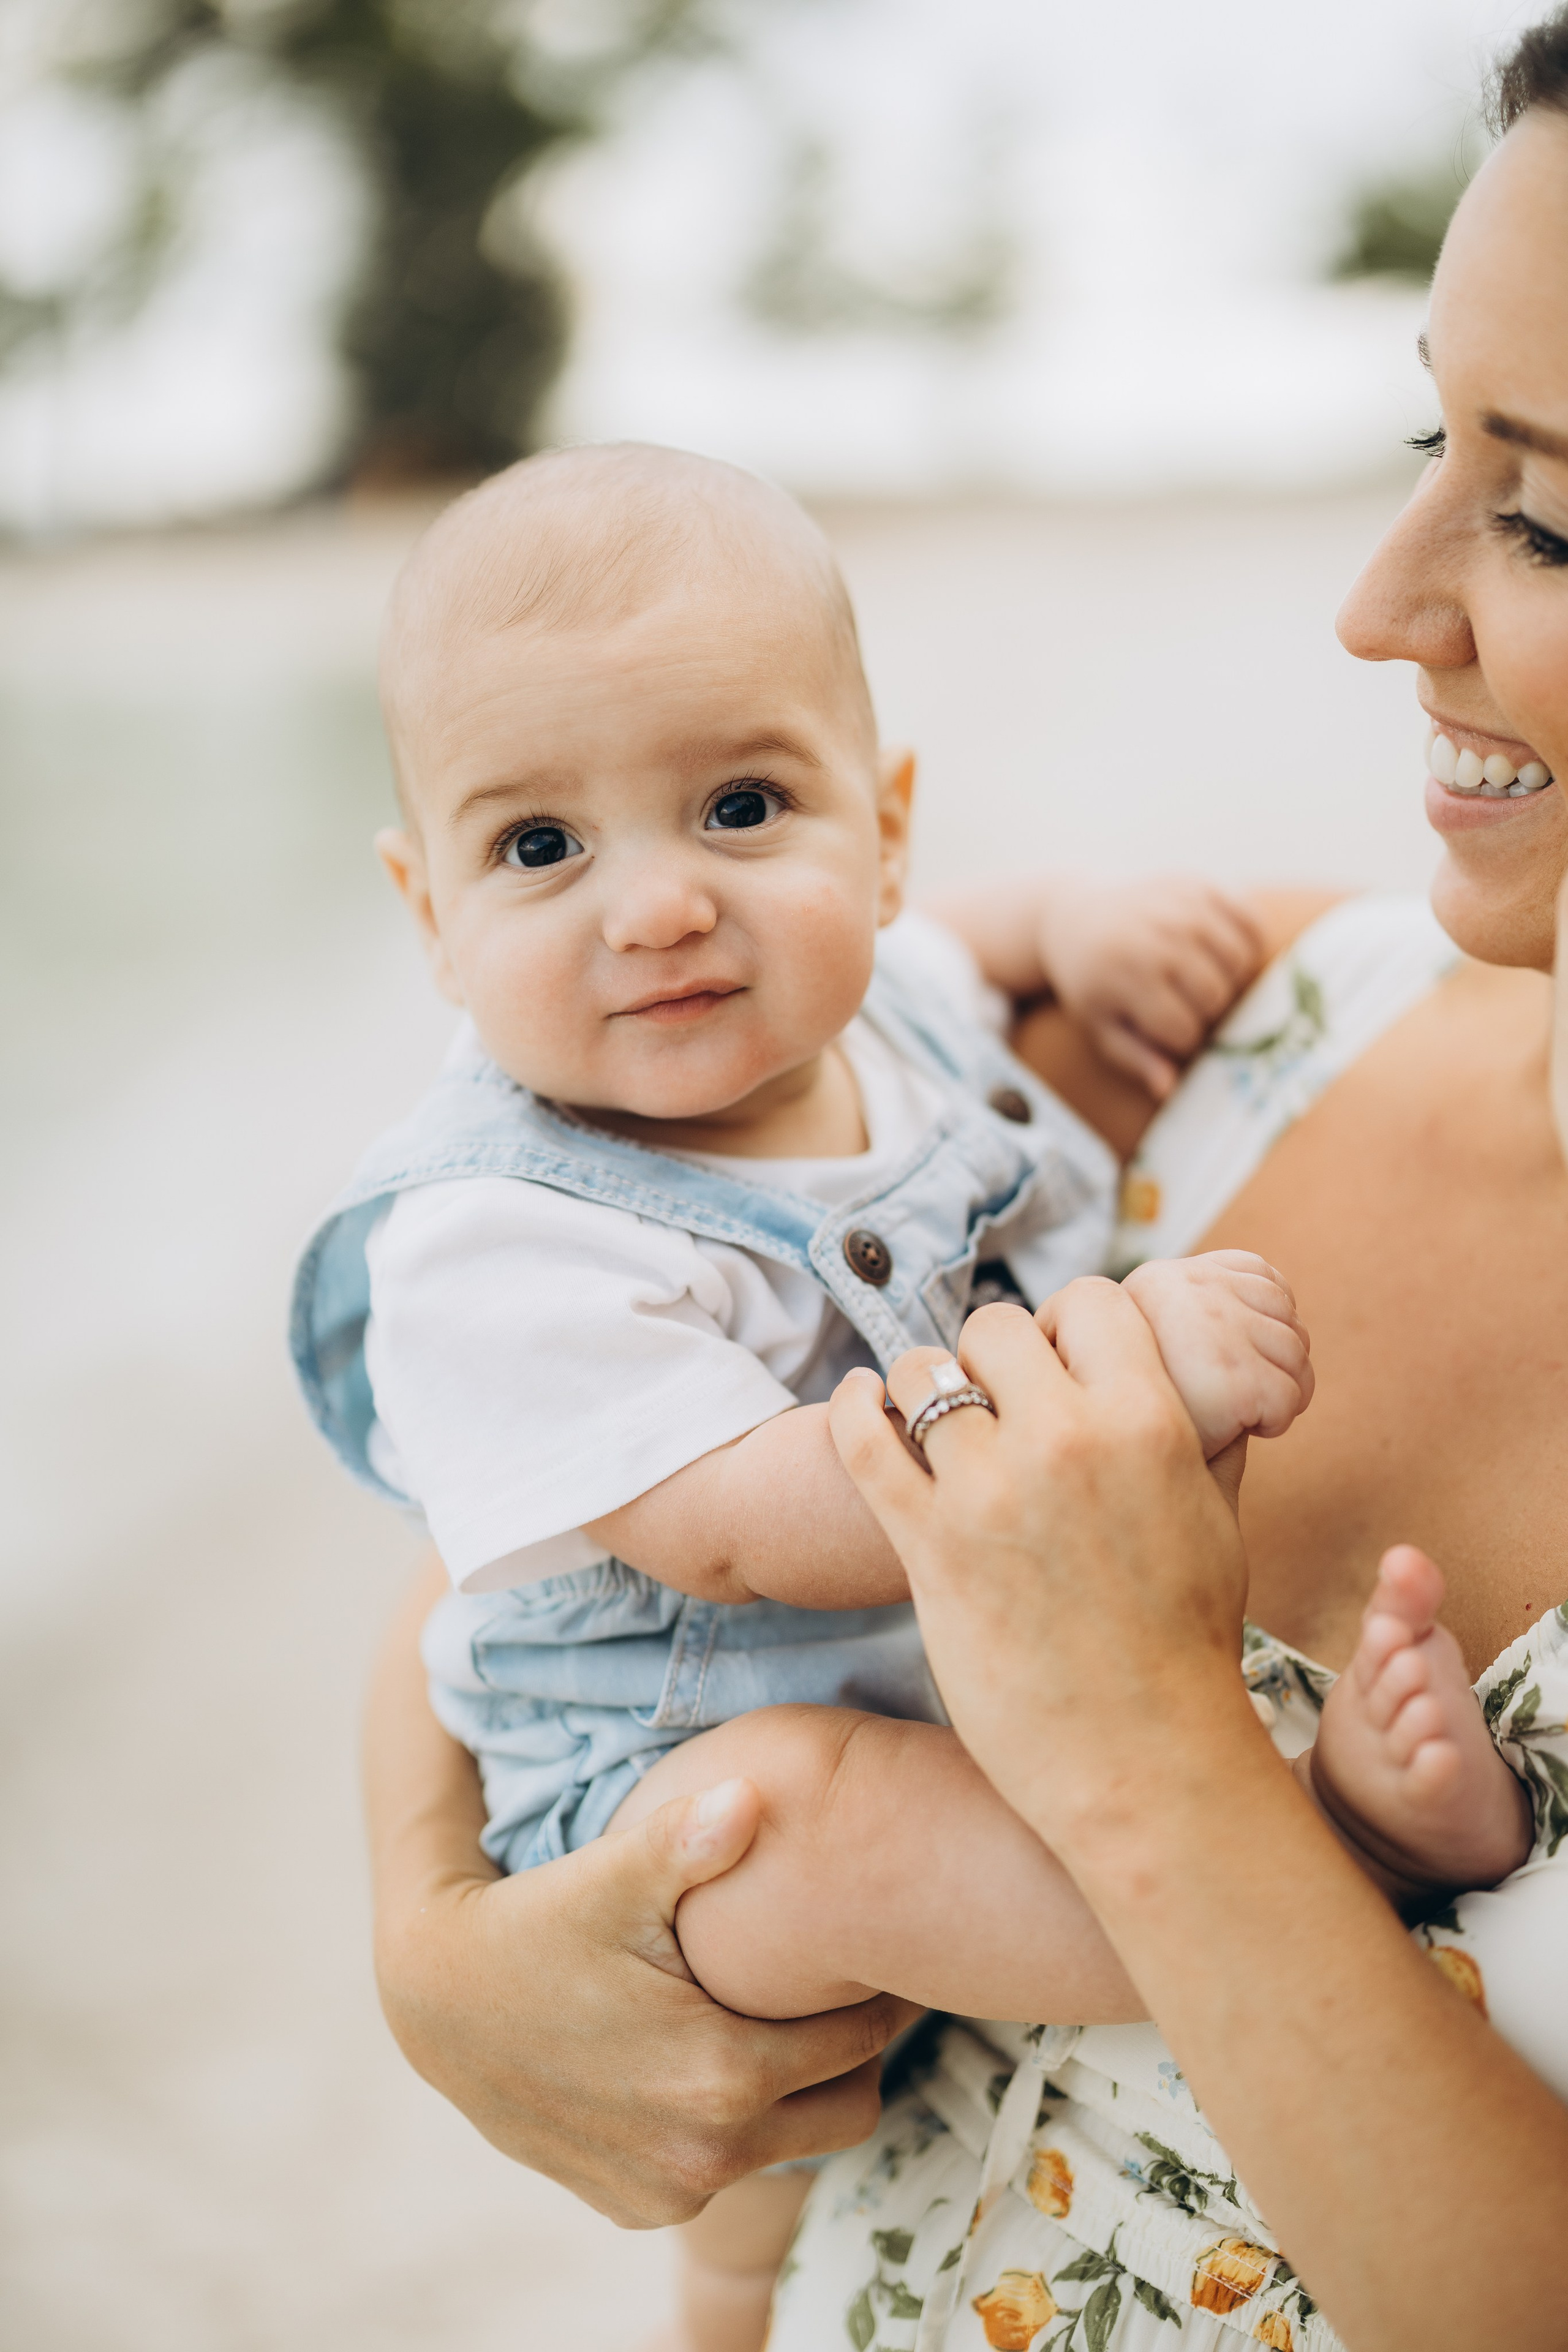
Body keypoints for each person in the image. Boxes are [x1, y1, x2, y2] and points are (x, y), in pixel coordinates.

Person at [360, 13, 1568, 2346]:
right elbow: (550, 1492)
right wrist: (442, 1947)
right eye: (1435, 433)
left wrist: (1143, 1750)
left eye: (1545, 504)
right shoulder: (1245, 1024)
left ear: (875, 805)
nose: (1377, 602)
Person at [296, 443, 1324, 2351]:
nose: (662, 906)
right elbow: (748, 1527)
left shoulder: (885, 998)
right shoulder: (490, 1243)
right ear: (425, 904)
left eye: (742, 807)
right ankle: (1284, 1916)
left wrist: (1074, 935)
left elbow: (972, 946)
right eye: (540, 847)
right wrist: (1129, 1380)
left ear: (885, 823)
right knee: (804, 1814)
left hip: (944, 1693)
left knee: (921, 1803)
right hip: (656, 1793)